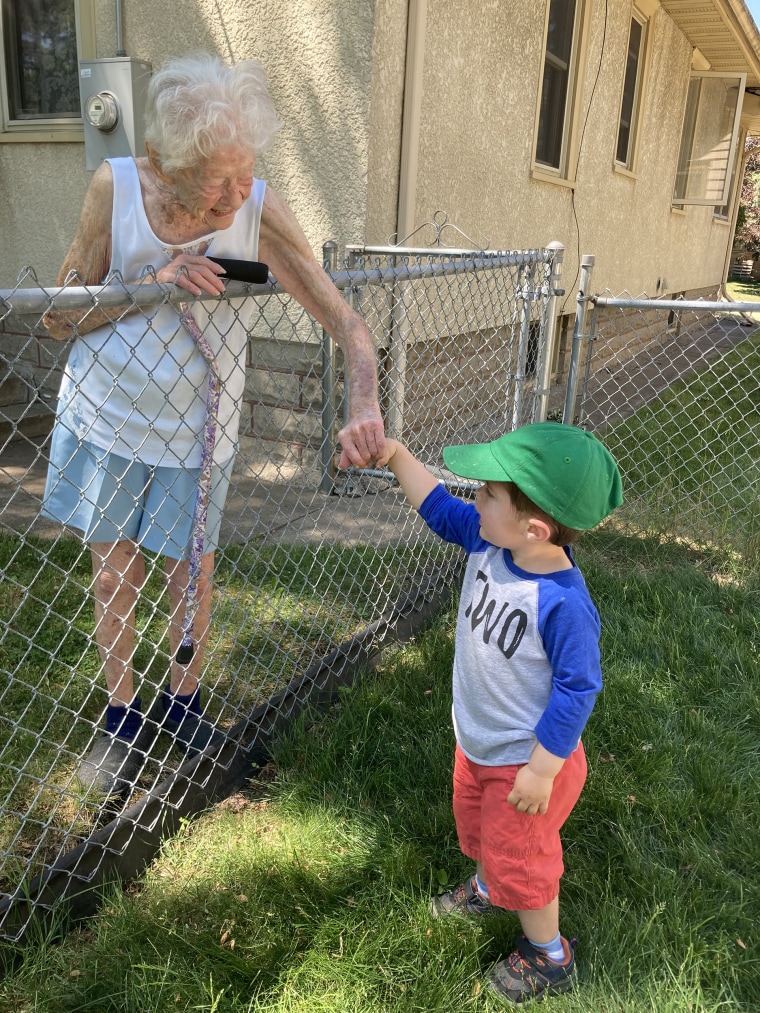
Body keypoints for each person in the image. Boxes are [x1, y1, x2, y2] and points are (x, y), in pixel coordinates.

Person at [41, 52, 385, 799]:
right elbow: (59, 313)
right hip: (110, 412)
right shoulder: (119, 189)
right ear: (167, 163)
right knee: (113, 572)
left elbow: (349, 324)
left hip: (199, 430)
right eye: (218, 180)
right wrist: (146, 287)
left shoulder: (258, 208)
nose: (237, 195)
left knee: (191, 570)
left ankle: (184, 700)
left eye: (246, 172)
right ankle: (122, 715)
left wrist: (364, 401)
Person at [371, 421, 622, 1004]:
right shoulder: (491, 540)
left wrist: (541, 769)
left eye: (486, 494)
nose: (473, 499)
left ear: (534, 527)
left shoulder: (563, 604)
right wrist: (395, 454)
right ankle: (488, 884)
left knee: (527, 862)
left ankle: (549, 953)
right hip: (479, 742)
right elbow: (436, 507)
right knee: (484, 829)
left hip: (526, 762)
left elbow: (577, 690)